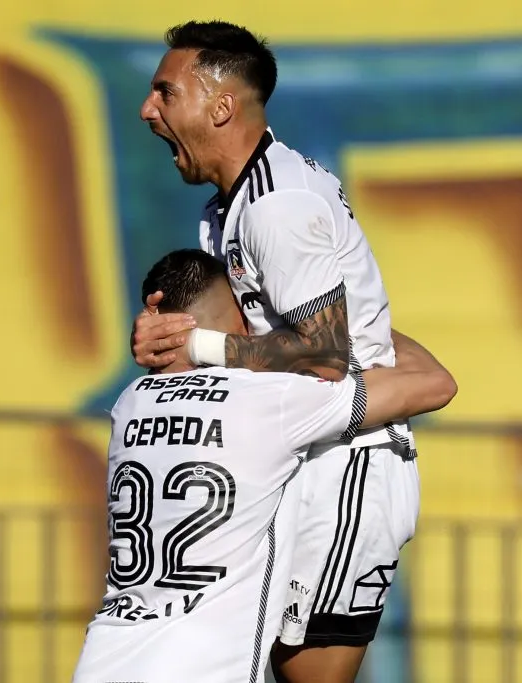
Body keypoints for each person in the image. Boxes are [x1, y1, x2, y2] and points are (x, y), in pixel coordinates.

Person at [132, 21, 426, 683]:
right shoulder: (228, 208)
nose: (148, 109)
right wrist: (169, 336)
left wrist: (195, 344)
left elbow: (324, 354)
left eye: (165, 92)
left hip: (348, 463)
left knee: (305, 674)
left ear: (221, 107)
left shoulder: (275, 204)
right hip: (299, 455)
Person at [74, 249, 455, 683]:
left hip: (103, 657)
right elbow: (433, 382)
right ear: (239, 318)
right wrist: (343, 324)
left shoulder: (129, 404)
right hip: (199, 668)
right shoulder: (264, 400)